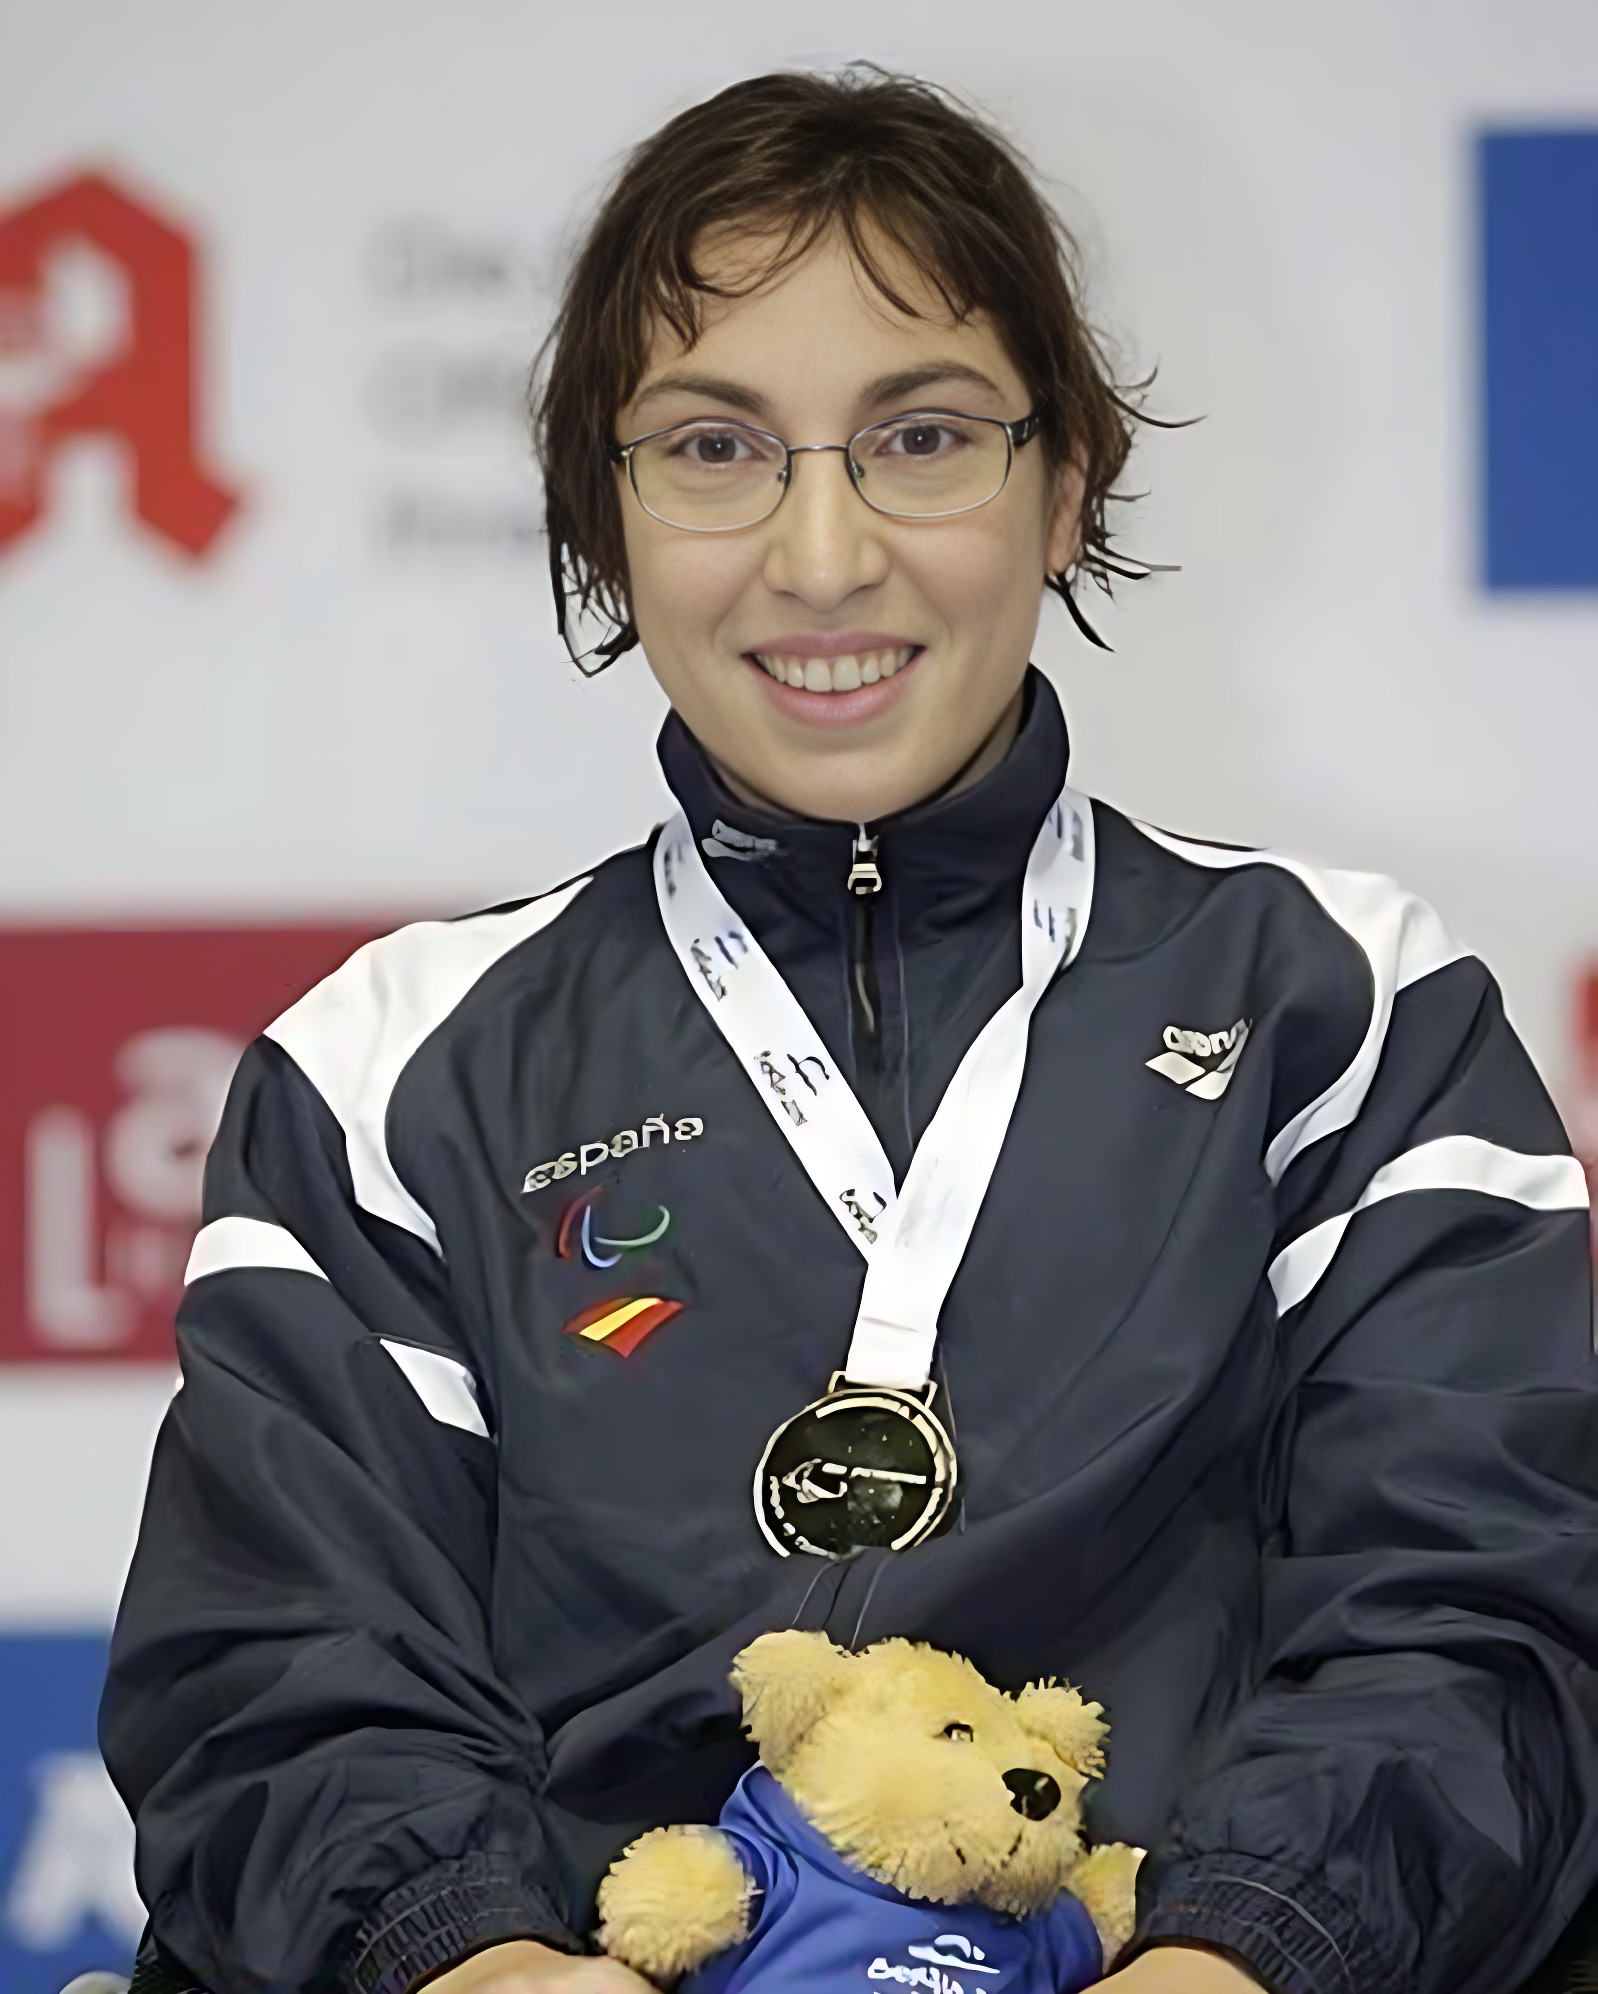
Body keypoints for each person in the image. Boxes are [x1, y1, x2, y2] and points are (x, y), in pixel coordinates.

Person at [100, 68, 1598, 1994]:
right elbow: (279, 1669)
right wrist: (467, 1960)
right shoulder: (391, 1066)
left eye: (920, 438)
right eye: (716, 449)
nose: (821, 556)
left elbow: (1480, 1619)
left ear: (1064, 489)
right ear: (604, 512)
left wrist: (1238, 1957)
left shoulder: (1342, 1005)